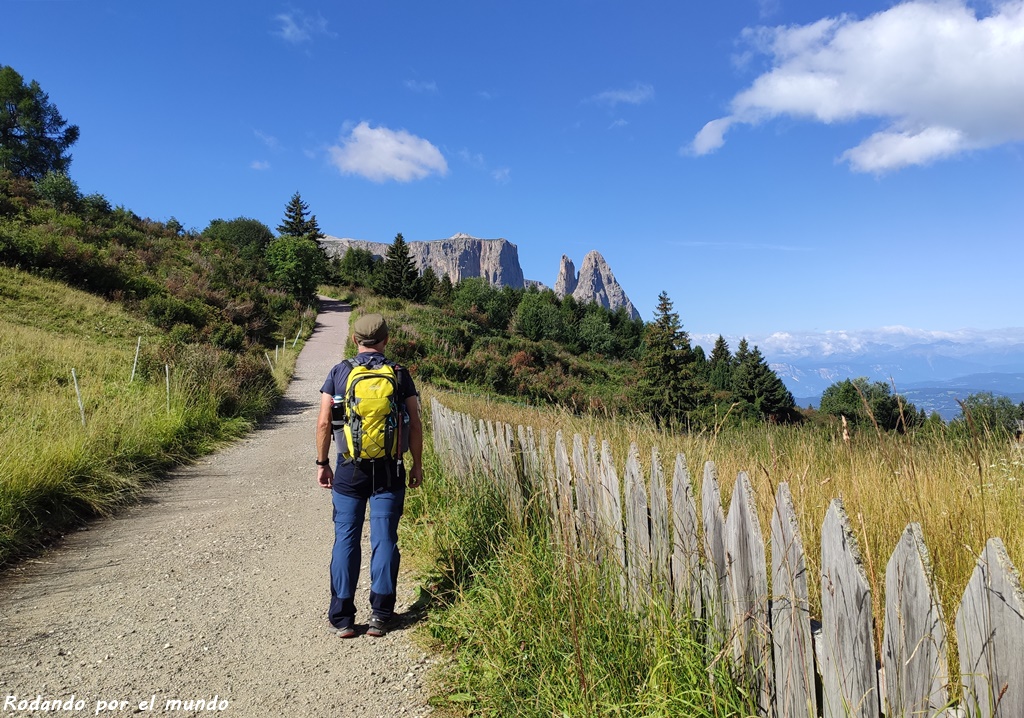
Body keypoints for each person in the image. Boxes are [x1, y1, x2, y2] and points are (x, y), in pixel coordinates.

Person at [315, 313, 423, 638]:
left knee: (346, 539)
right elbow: (415, 423)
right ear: (387, 340)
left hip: (350, 471)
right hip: (390, 470)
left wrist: (322, 463)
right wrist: (416, 464)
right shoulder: (400, 375)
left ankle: (343, 618)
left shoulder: (339, 373)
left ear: (354, 340)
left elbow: (323, 423)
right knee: (385, 539)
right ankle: (381, 614)